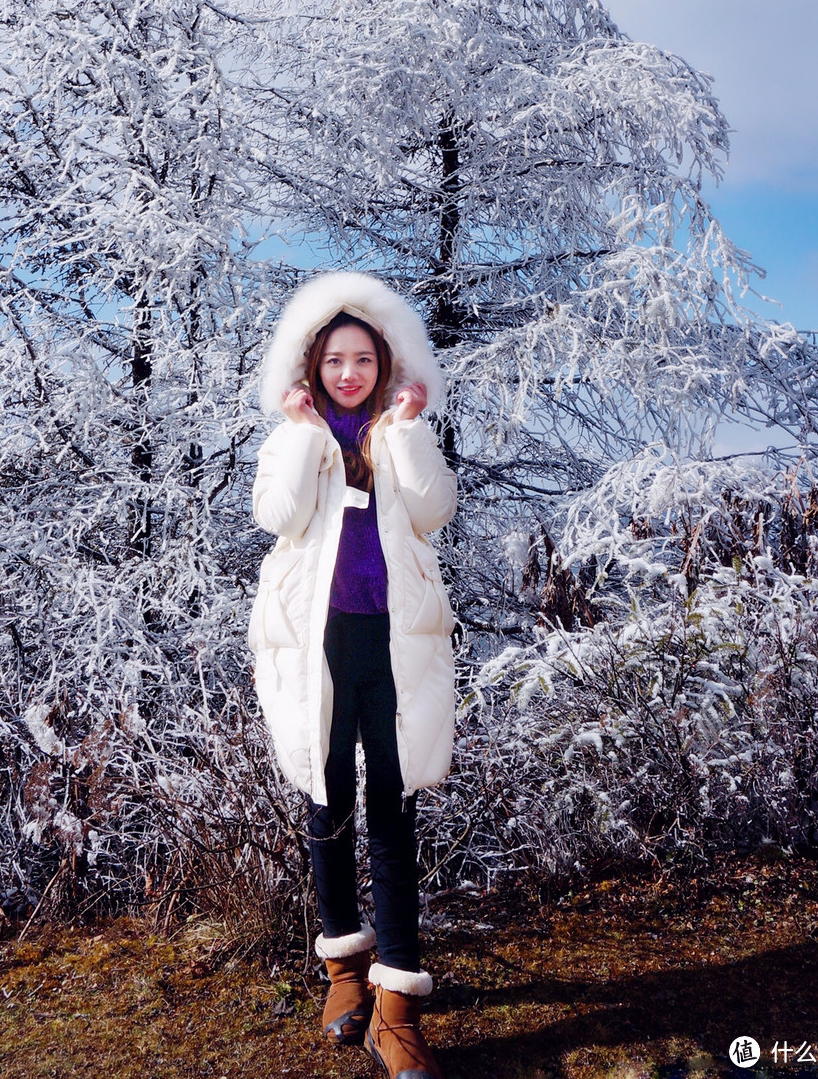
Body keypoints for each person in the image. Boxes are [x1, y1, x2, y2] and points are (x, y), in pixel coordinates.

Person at [249, 272, 457, 1079]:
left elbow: (436, 508)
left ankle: (396, 1007)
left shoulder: (402, 426)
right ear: (311, 364)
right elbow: (280, 517)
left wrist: (404, 432)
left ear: (384, 361)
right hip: (317, 650)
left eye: (362, 358)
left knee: (393, 810)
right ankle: (343, 969)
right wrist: (305, 437)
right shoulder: (291, 436)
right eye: (333, 359)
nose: (348, 373)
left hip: (394, 647)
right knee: (327, 800)